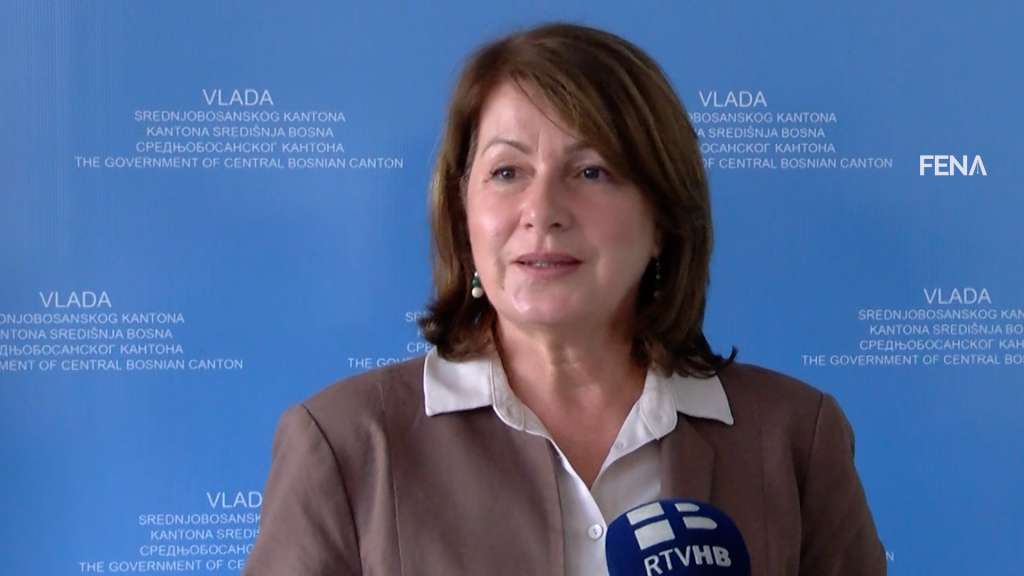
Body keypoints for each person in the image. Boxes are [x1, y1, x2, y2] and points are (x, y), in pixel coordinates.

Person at [244, 22, 886, 576]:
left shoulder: (795, 437)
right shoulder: (346, 443)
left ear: (662, 220)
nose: (542, 210)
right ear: (463, 215)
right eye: (507, 172)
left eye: (591, 172)